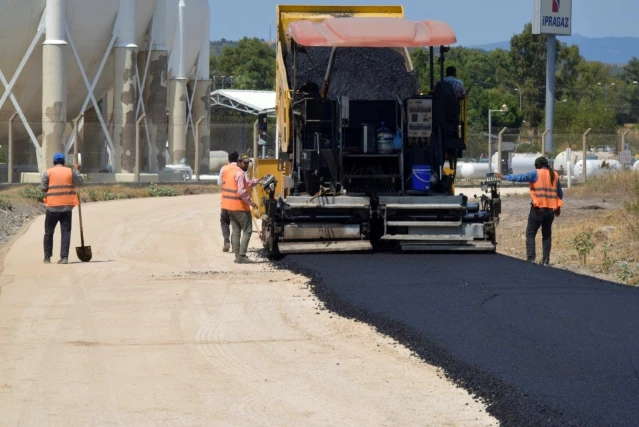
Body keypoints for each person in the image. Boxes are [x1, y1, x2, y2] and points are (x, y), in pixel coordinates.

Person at [497, 157, 564, 266]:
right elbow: (560, 194)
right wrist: (558, 208)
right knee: (546, 235)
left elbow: (520, 177)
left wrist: (504, 177)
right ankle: (546, 260)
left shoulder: (536, 173)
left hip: (538, 210)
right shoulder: (555, 175)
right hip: (550, 211)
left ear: (537, 165)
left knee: (530, 234)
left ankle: (531, 260)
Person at [41, 152, 83, 264]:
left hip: (52, 207)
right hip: (67, 208)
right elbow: (79, 183)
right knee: (66, 232)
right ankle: (64, 257)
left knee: (49, 232)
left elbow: (43, 188)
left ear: (54, 162)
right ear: (64, 162)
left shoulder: (48, 172)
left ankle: (47, 257)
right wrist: (77, 170)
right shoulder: (70, 171)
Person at [220, 153, 259, 264]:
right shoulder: (241, 173)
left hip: (229, 206)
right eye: (244, 163)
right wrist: (251, 203)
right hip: (240, 207)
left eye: (247, 163)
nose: (246, 165)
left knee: (236, 230)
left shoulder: (229, 172)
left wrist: (257, 180)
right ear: (239, 162)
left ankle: (237, 256)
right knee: (247, 230)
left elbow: (245, 183)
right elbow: (241, 191)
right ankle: (242, 255)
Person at [218, 151, 239, 252]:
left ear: (228, 159)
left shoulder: (224, 169)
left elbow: (219, 183)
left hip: (225, 202)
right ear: (238, 159)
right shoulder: (240, 170)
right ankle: (235, 245)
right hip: (237, 203)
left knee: (225, 222)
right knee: (236, 224)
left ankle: (226, 241)